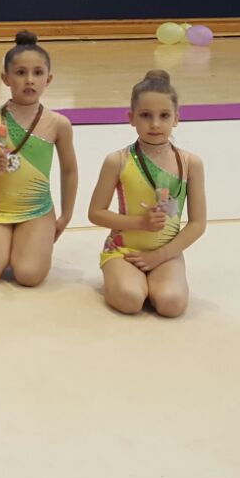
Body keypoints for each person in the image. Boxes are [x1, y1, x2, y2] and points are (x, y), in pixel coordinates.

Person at [88, 70, 208, 317]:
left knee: (171, 304)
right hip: (124, 250)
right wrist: (140, 223)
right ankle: (121, 277)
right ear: (131, 117)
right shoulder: (117, 161)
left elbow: (197, 224)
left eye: (164, 115)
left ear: (176, 118)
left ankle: (154, 282)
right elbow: (95, 213)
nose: (155, 124)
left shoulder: (190, 163)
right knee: (130, 299)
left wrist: (161, 255)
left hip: (166, 253)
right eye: (145, 115)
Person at [0, 32, 77, 288]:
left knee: (28, 275)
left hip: (37, 211)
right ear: (5, 78)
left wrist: (66, 215)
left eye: (38, 73)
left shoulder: (58, 124)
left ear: (48, 79)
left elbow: (69, 171)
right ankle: (6, 241)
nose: (29, 80)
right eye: (20, 73)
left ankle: (24, 242)